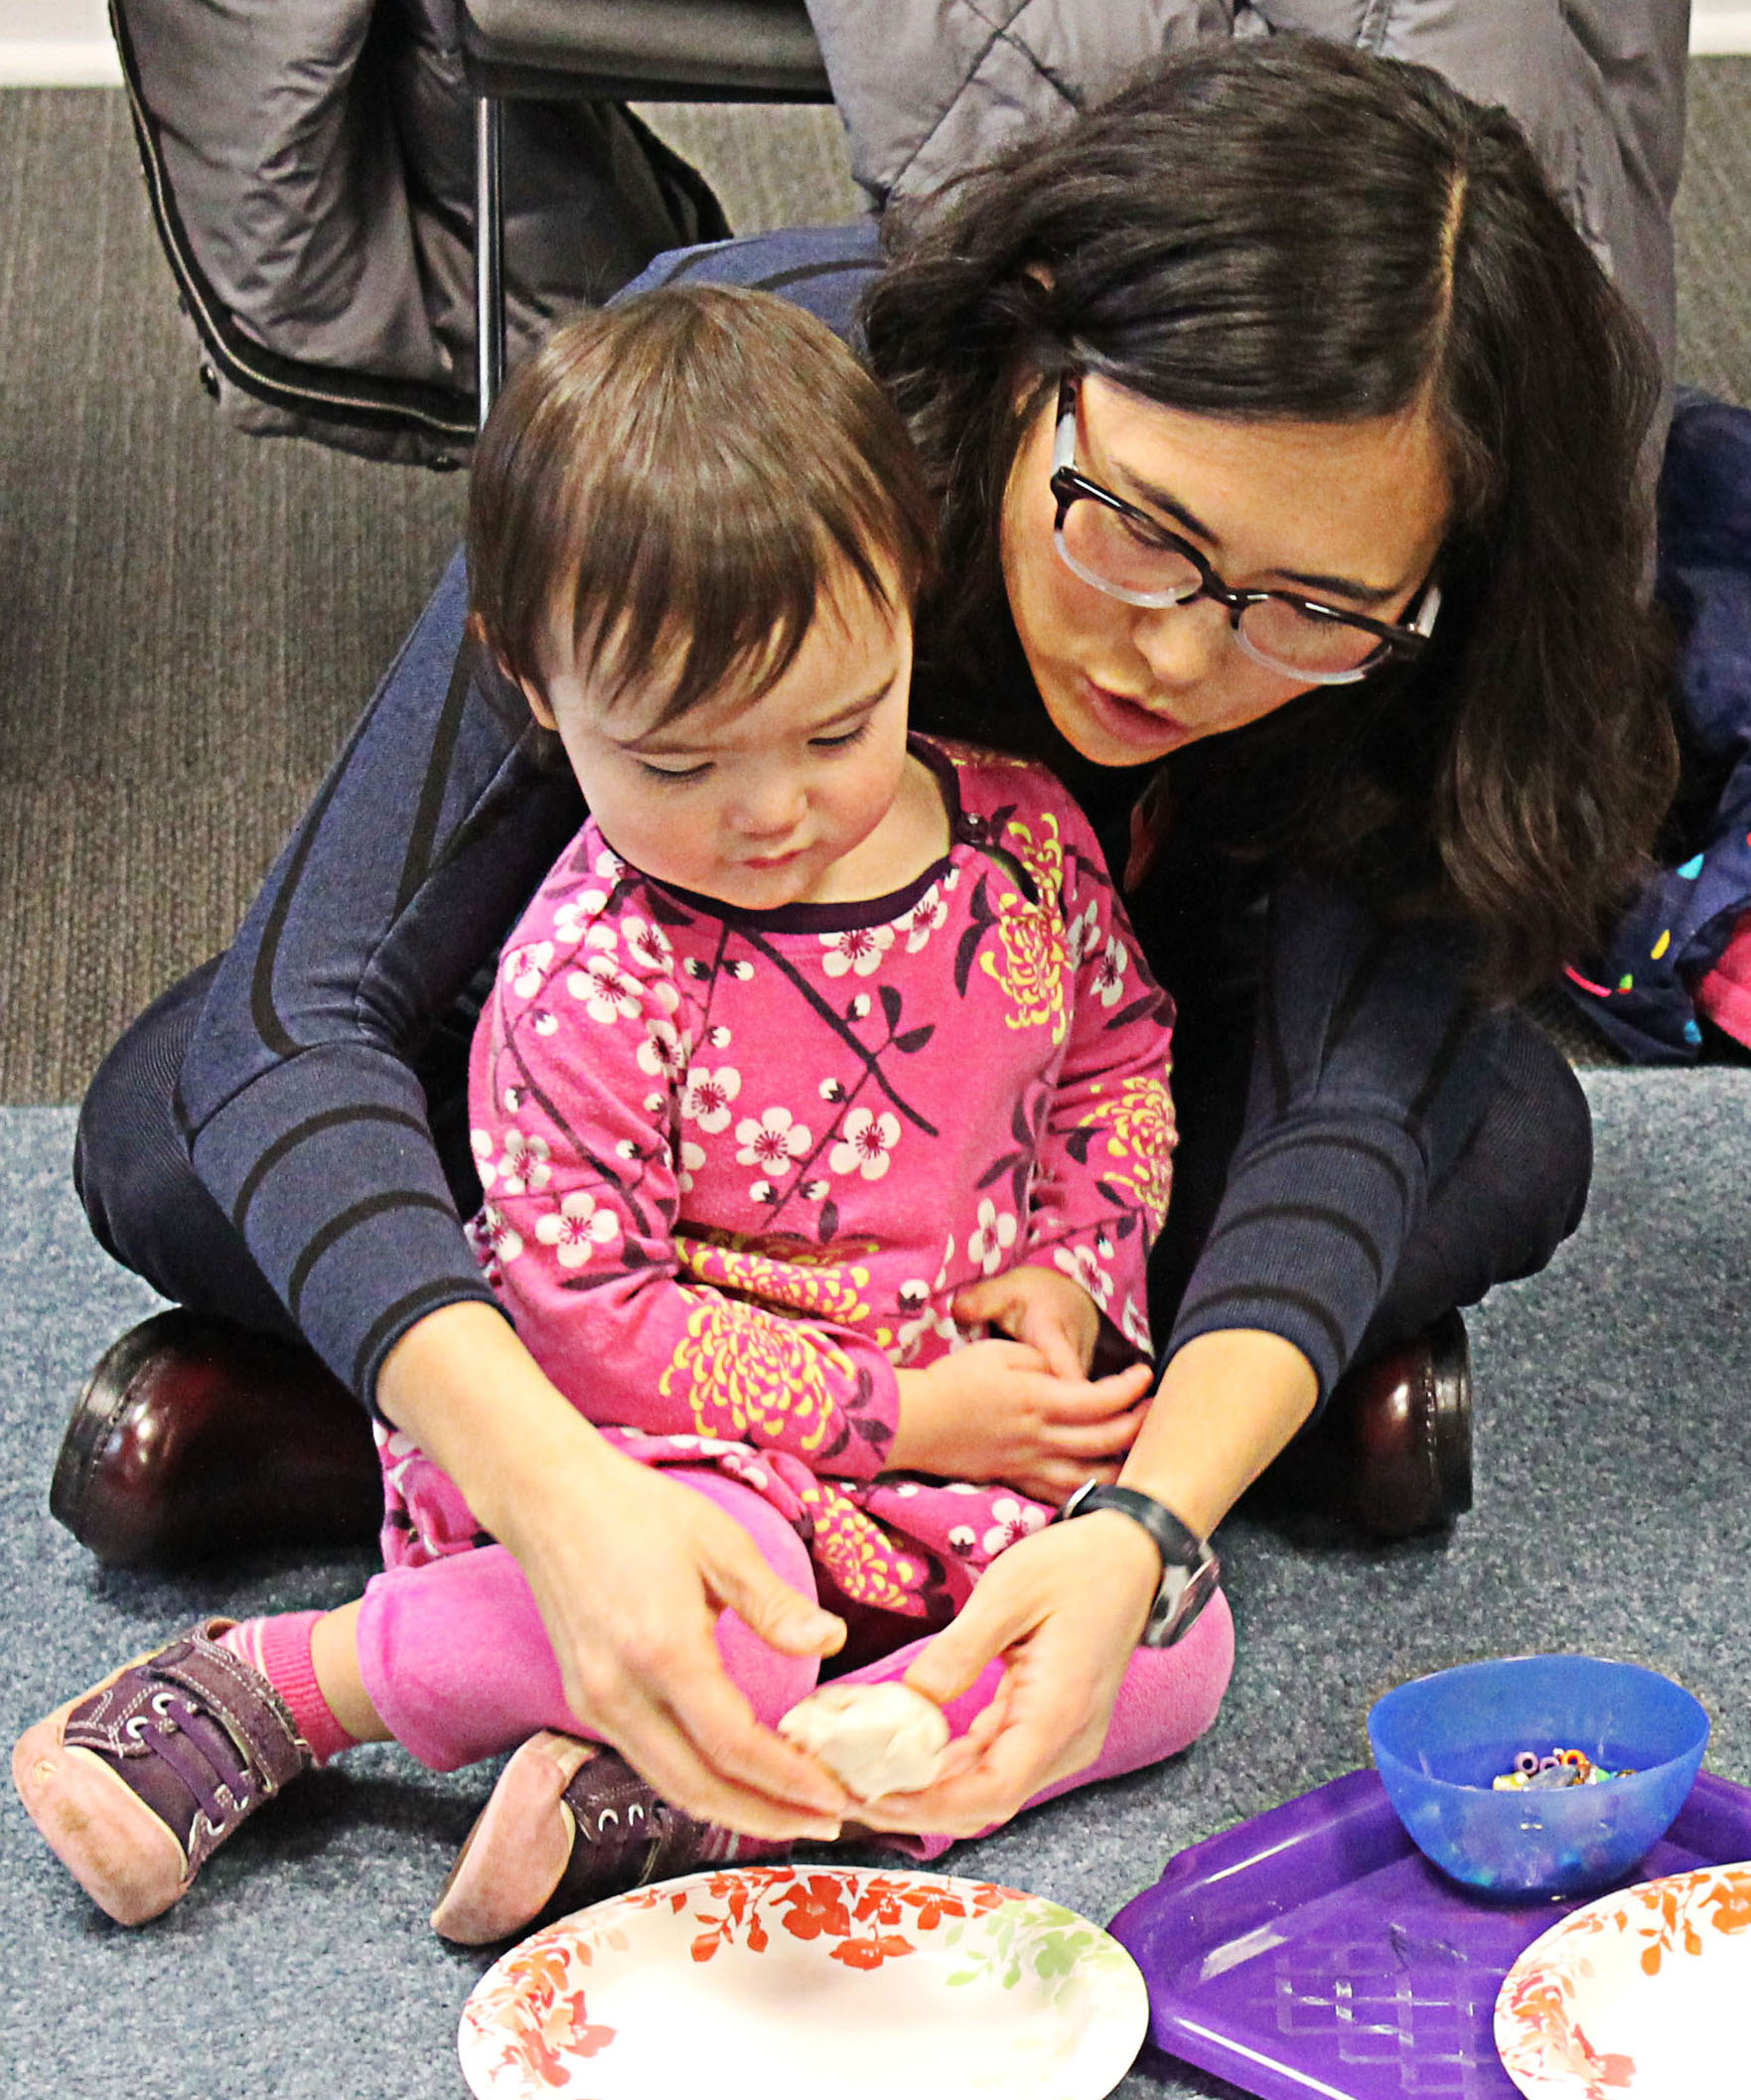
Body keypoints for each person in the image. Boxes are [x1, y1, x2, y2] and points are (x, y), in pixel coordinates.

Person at [60, 40, 1675, 1851]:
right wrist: (555, 1487)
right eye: (1140, 533)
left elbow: (1340, 1120)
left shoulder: (1432, 635)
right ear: (1039, 342)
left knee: (1512, 1131)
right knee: (168, 1135)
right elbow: (302, 1012)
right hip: (646, 1132)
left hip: (1043, 1149)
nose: (1176, 657)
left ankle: (955, 1446)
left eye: (1308, 611)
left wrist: (1144, 1528)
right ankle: (617, 1462)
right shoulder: (744, 409)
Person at [15, 285, 1235, 1932]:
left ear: (907, 612)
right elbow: (585, 1318)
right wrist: (911, 1416)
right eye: (676, 762)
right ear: (532, 683)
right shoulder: (591, 970)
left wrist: (1080, 1271)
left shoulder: (1021, 838)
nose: (773, 812)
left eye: (833, 727)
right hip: (691, 1450)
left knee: (1176, 1637)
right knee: (721, 1587)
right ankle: (298, 1683)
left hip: (968, 1456)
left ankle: (756, 1785)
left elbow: (1117, 1049)